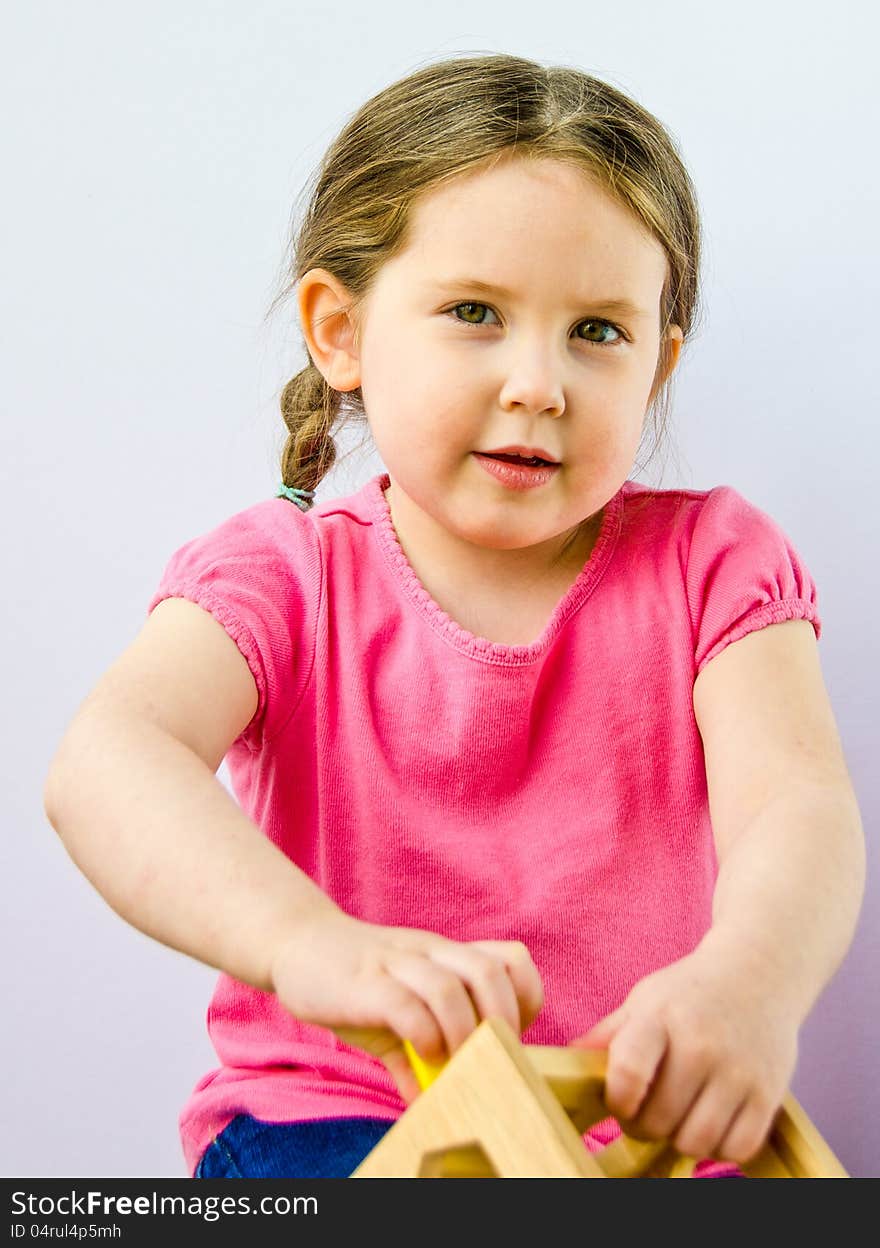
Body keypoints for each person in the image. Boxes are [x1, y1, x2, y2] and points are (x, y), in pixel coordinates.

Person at [43, 52, 865, 1181]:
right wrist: (309, 948)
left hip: (642, 1130)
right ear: (338, 332)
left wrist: (749, 985)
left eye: (598, 332)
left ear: (658, 364)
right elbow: (105, 761)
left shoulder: (713, 562)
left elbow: (797, 806)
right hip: (338, 1119)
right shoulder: (285, 576)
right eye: (475, 312)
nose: (540, 382)